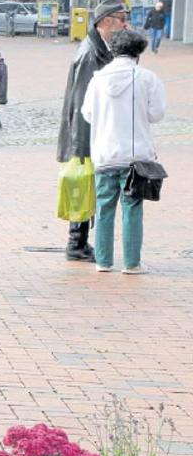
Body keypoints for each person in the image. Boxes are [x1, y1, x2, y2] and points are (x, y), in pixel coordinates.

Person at [81, 29, 166, 274]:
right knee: (132, 208)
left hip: (105, 153)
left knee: (105, 208)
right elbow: (156, 113)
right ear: (138, 52)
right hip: (136, 157)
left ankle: (103, 261)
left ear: (114, 50)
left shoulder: (97, 79)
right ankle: (131, 263)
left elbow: (88, 114)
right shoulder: (147, 78)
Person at [57, 0, 129, 262]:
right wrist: (82, 145)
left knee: (87, 188)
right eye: (121, 19)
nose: (125, 24)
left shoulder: (98, 47)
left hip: (89, 134)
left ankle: (79, 242)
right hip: (85, 135)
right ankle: (76, 243)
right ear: (105, 22)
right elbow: (81, 104)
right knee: (84, 187)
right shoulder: (90, 52)